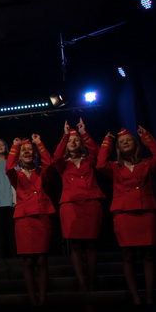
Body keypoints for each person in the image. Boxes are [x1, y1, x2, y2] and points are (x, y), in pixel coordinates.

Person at [97, 125, 156, 305]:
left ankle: (149, 295)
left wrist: (146, 136)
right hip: (124, 214)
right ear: (118, 147)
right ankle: (135, 296)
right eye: (122, 142)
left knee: (148, 255)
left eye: (128, 140)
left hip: (146, 211)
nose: (125, 143)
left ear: (135, 144)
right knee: (128, 255)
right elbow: (100, 164)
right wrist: (107, 141)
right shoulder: (114, 167)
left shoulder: (146, 164)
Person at [53, 119, 105, 293]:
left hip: (90, 203)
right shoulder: (63, 164)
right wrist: (65, 135)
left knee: (91, 245)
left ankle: (92, 280)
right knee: (75, 245)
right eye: (70, 141)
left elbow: (97, 151)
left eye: (76, 140)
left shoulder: (88, 160)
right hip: (70, 205)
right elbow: (56, 156)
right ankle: (81, 282)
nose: (73, 143)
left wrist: (83, 133)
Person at [6, 135, 56, 306]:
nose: (27, 152)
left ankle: (42, 299)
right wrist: (15, 146)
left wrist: (39, 143)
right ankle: (33, 300)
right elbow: (8, 167)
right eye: (24, 151)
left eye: (30, 150)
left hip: (41, 217)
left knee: (42, 260)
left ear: (34, 154)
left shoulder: (41, 171)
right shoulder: (16, 175)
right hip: (24, 219)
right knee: (28, 261)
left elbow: (50, 163)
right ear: (19, 155)